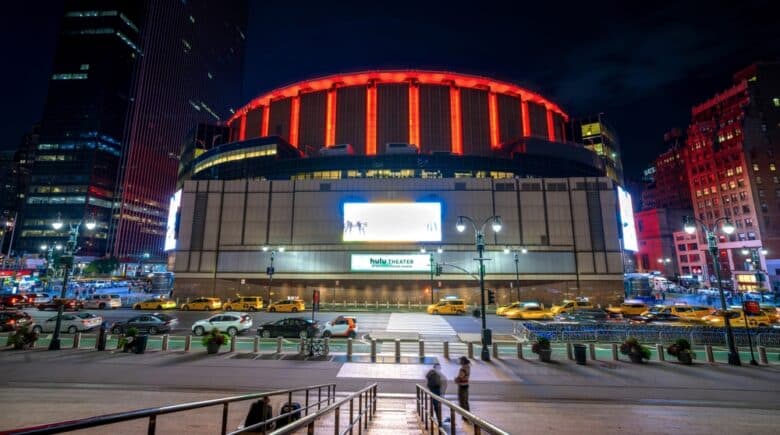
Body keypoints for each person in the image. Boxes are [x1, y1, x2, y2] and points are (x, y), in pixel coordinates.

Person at [454, 356, 470, 422]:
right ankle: (468, 415)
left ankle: (465, 416)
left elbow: (459, 378)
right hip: (466, 385)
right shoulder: (468, 367)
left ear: (463, 361)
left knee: (462, 401)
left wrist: (455, 379)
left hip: (462, 386)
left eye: (460, 360)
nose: (459, 362)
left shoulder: (463, 368)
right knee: (466, 401)